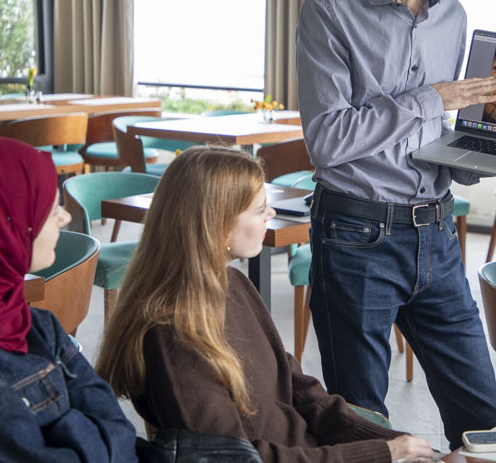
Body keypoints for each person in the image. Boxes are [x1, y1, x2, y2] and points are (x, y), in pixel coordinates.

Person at [295, 0, 496, 448]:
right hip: (354, 234)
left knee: (484, 416)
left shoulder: (454, 16)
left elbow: (437, 131)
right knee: (365, 428)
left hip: (438, 233)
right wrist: (432, 98)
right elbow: (328, 140)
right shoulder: (328, 9)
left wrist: (486, 155)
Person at [96, 146, 432, 463]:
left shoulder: (233, 282)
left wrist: (393, 444)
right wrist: (378, 454)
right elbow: (238, 458)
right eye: (260, 210)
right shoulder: (173, 336)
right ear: (218, 225)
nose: (271, 214)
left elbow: (300, 390)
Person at [0, 134, 137, 462]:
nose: (65, 218)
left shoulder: (30, 320)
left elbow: (118, 424)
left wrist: (69, 434)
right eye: (49, 210)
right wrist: (87, 427)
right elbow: (115, 431)